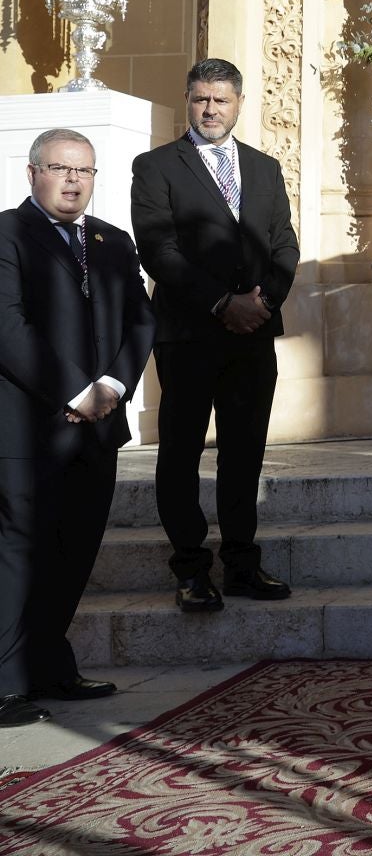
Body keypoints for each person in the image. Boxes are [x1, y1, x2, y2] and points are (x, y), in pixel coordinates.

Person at [131, 59, 299, 613]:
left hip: (253, 336)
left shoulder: (265, 168)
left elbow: (284, 247)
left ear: (239, 104)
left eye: (220, 100)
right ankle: (190, 570)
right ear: (188, 100)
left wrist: (261, 303)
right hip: (187, 335)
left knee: (244, 452)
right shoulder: (156, 166)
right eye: (201, 99)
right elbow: (159, 250)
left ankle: (242, 564)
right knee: (180, 453)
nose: (210, 110)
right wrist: (222, 303)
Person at [0, 130, 155, 727]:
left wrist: (113, 387)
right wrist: (74, 390)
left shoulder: (112, 242)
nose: (72, 181)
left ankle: (48, 666)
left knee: (73, 554)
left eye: (84, 171)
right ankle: (6, 681)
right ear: (32, 172)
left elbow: (141, 321)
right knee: (19, 553)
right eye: (60, 169)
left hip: (96, 431)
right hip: (27, 431)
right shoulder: (8, 235)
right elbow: (8, 327)